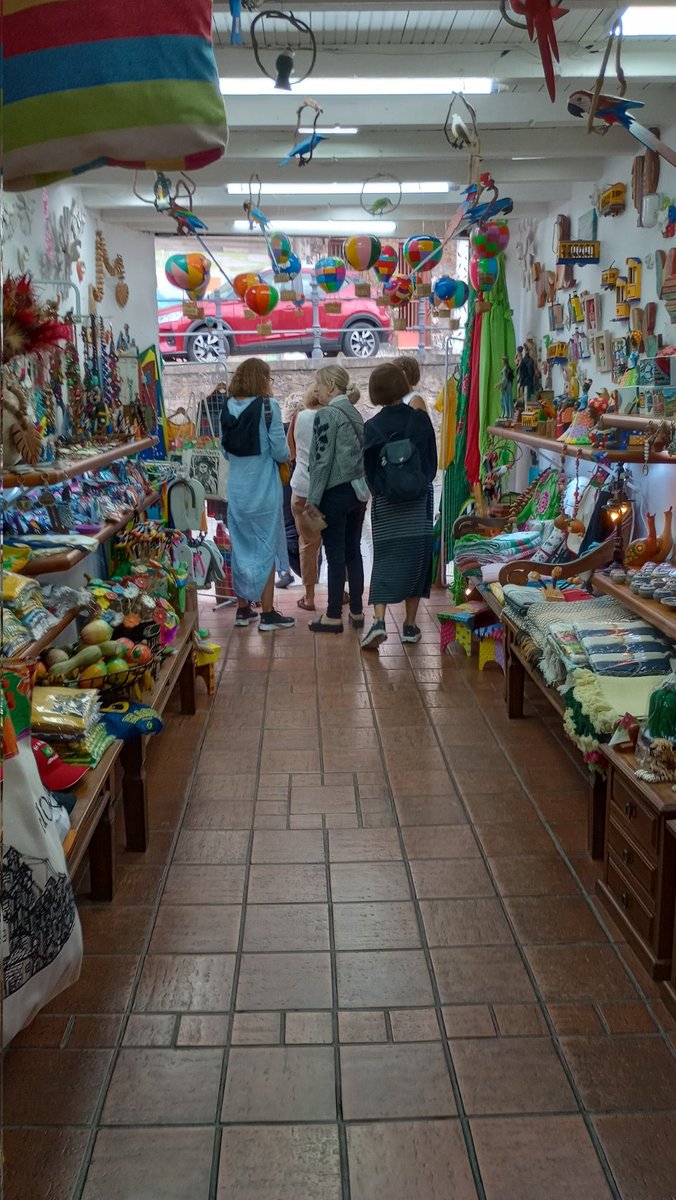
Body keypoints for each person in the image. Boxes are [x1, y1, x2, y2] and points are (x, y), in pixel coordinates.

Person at [360, 362, 438, 650]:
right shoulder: (419, 419)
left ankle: (379, 621)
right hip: (417, 505)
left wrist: (383, 490)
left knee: (385, 560)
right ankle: (409, 625)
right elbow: (431, 461)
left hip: (387, 505)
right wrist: (419, 484)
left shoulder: (372, 427)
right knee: (417, 562)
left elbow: (369, 470)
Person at [220, 357, 295, 632]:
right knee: (266, 547)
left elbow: (224, 450)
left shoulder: (226, 407)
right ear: (262, 380)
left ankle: (242, 610)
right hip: (264, 491)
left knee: (239, 549)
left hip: (237, 492)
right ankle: (268, 614)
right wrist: (287, 456)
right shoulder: (268, 407)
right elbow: (279, 450)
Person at [304, 364, 366, 633]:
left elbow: (320, 460)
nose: (315, 388)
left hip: (335, 492)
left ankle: (332, 615)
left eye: (318, 383)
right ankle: (357, 610)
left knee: (335, 554)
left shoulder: (327, 413)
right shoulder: (354, 412)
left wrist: (312, 498)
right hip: (358, 491)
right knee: (354, 551)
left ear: (330, 385)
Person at [289, 383, 329, 612]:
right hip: (327, 490)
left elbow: (291, 452)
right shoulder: (330, 417)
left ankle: (310, 597)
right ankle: (340, 592)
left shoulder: (297, 418)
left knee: (308, 545)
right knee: (335, 543)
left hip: (303, 489)